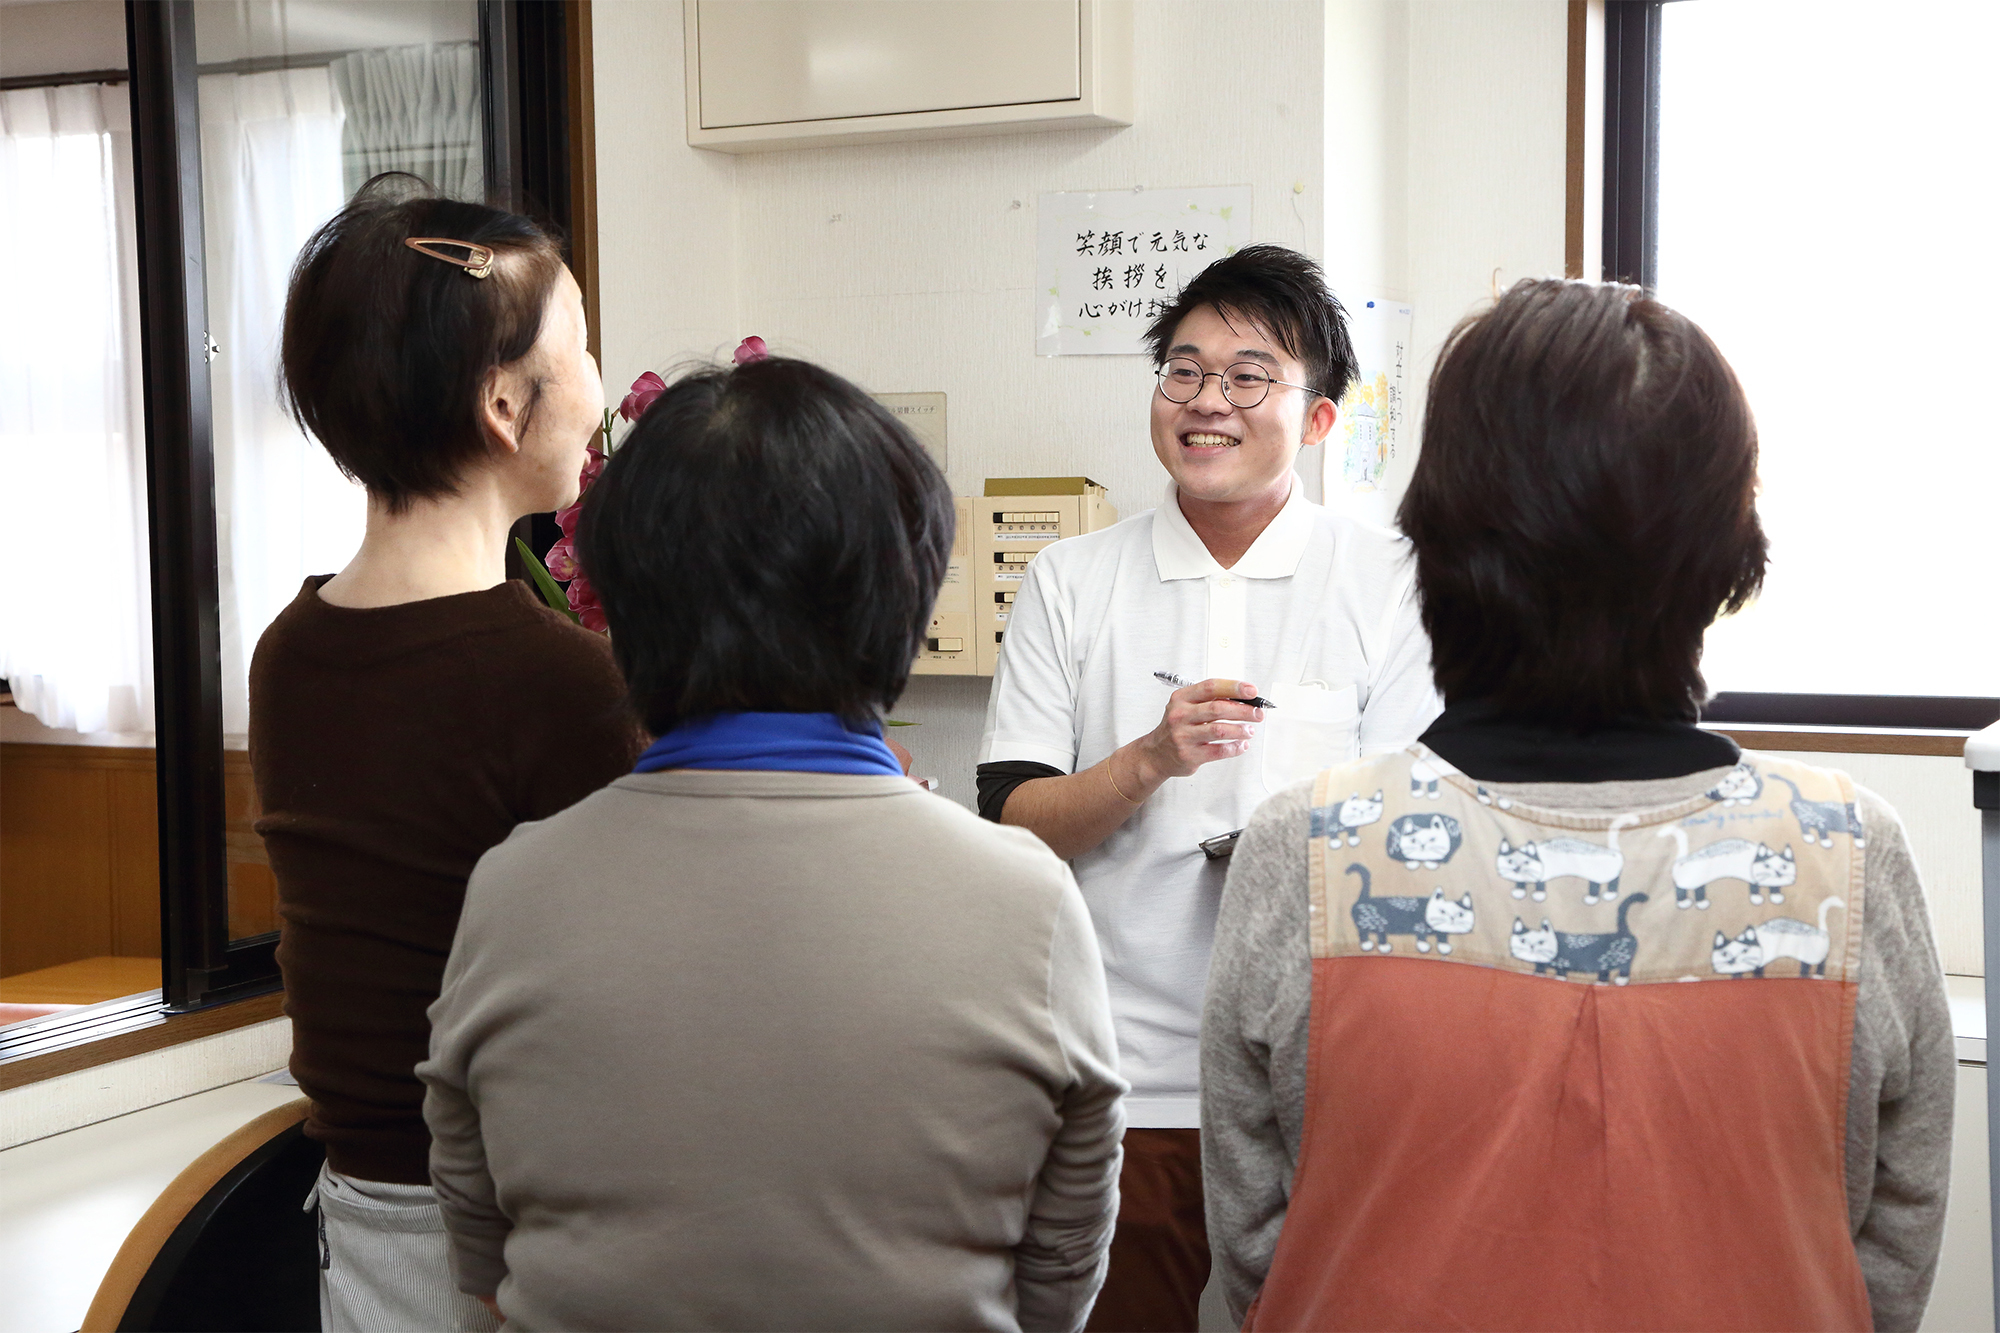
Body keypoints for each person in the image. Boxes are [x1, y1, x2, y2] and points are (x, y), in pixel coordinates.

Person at [1202, 278, 1954, 1331]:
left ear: (1441, 536)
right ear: (1726, 551)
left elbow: (1257, 1250)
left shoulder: (1311, 846)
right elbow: (1887, 1240)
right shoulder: (1846, 849)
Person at [418, 356, 1128, 1332]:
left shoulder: (512, 890)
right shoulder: (1025, 903)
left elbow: (480, 1246)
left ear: (618, 604)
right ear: (903, 602)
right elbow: (1060, 1260)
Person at [978, 244, 1443, 1330]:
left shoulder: (1390, 579)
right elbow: (1010, 823)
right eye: (1182, 372)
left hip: (1327, 1080)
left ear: (1318, 419)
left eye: (1247, 376)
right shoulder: (1071, 579)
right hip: (1121, 1076)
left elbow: (1423, 828)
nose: (1206, 403)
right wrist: (1148, 761)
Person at [250, 175, 640, 1332]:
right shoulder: (558, 681)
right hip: (514, 1223)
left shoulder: (292, 648)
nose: (603, 391)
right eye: (579, 351)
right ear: (505, 411)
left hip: (360, 1208)